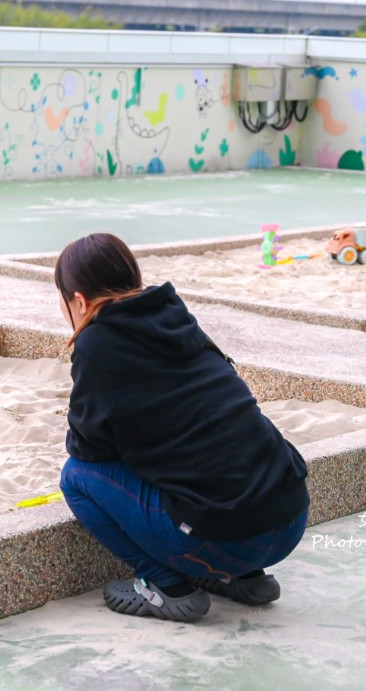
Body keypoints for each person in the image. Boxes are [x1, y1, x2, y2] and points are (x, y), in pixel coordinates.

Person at [55, 233, 310, 622]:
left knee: (76, 478)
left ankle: (166, 587)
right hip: (291, 515)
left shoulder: (96, 341)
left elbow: (88, 447)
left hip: (228, 538)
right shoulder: (173, 313)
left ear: (78, 300)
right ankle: (242, 578)